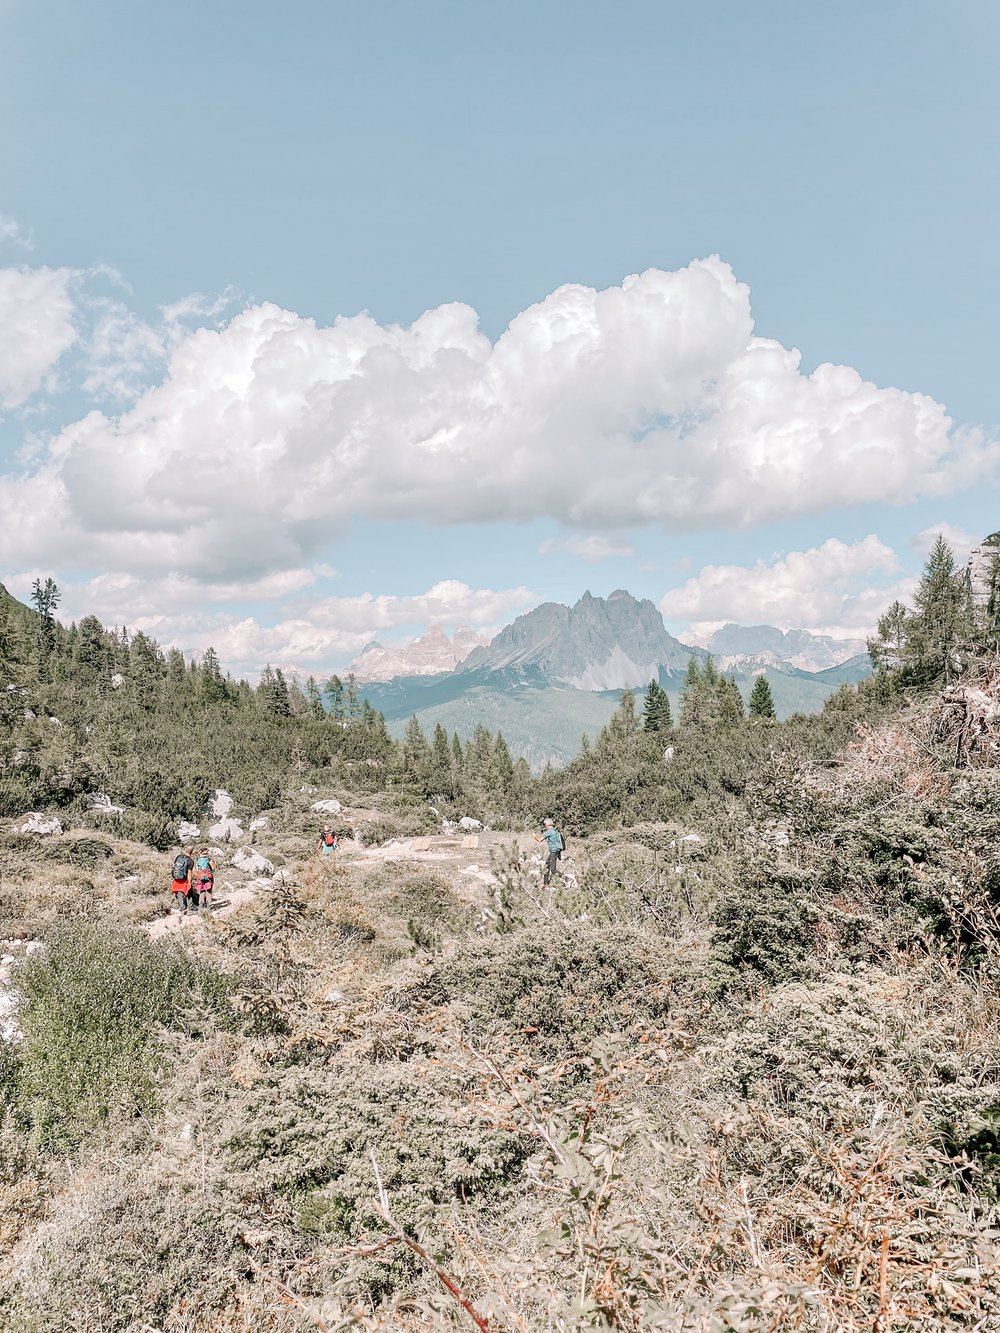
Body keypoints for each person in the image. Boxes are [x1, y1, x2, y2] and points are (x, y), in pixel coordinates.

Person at [532, 817, 565, 886]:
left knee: (553, 870)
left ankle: (565, 878)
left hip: (553, 851)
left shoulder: (549, 832)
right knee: (546, 866)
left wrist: (534, 836)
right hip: (556, 851)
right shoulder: (556, 831)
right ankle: (545, 883)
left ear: (547, 824)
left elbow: (540, 840)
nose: (544, 826)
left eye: (545, 825)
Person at [170, 846, 195, 914]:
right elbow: (189, 873)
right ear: (192, 852)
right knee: (189, 893)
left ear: (185, 850)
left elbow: (174, 867)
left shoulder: (178, 857)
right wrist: (189, 882)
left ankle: (182, 908)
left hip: (177, 879)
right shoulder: (190, 861)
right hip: (184, 880)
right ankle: (190, 910)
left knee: (179, 893)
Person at [193, 847, 216, 912]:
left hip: (200, 877)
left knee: (202, 892)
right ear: (207, 852)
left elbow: (197, 870)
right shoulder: (209, 859)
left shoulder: (197, 860)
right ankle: (208, 908)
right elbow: (213, 868)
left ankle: (200, 908)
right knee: (208, 892)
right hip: (208, 877)